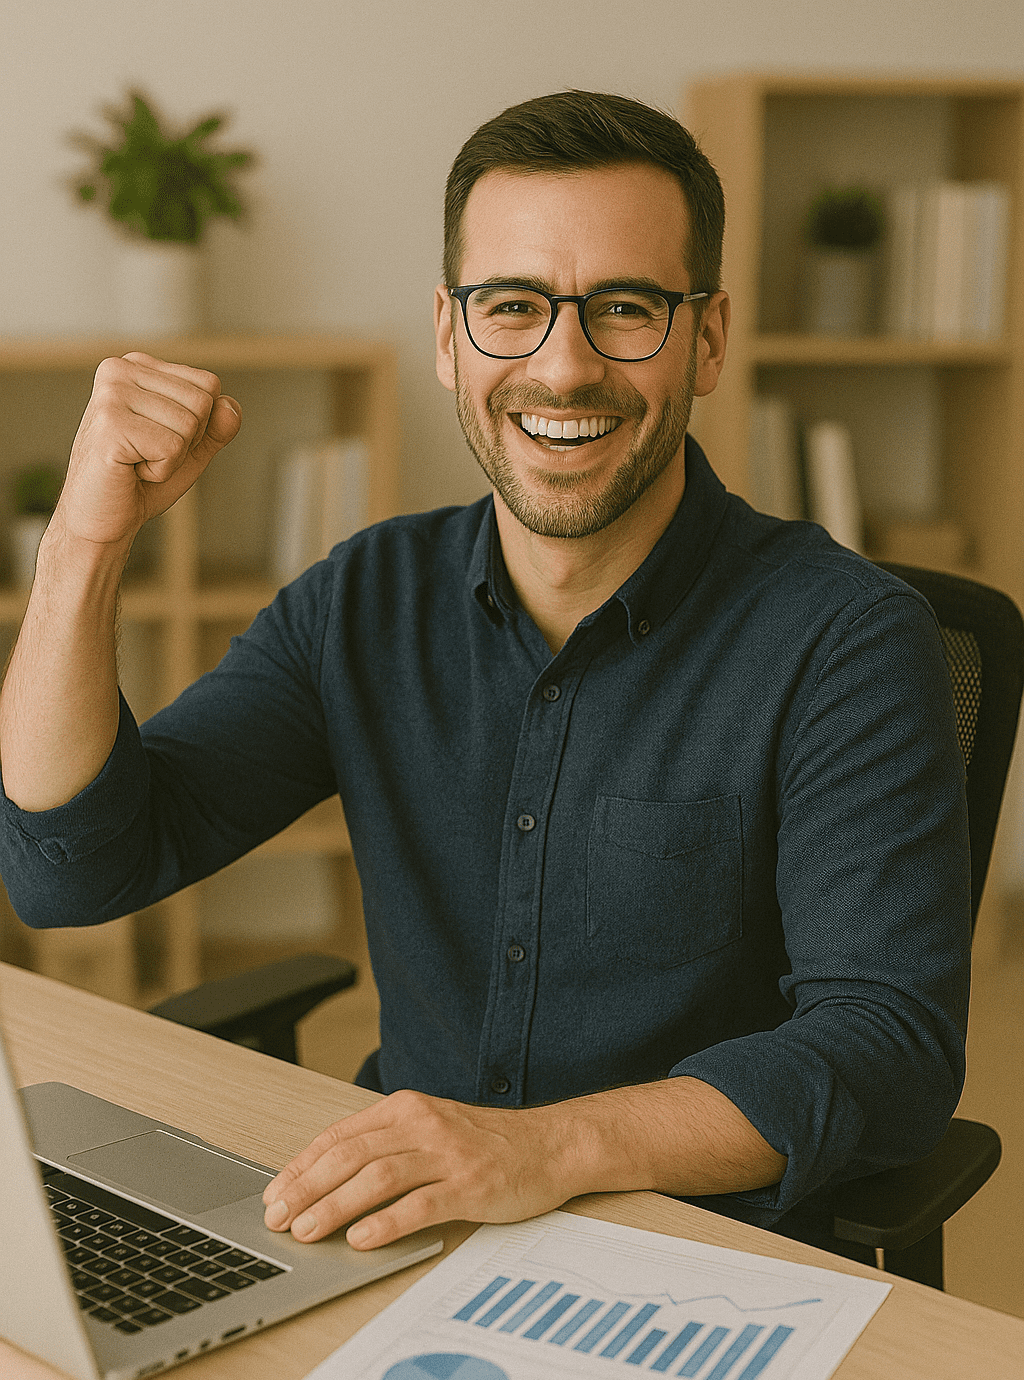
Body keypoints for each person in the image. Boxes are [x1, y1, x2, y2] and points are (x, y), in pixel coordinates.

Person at [0, 91, 969, 1258]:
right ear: (451, 337)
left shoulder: (846, 638)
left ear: (705, 339)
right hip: (405, 1228)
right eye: (513, 307)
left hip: (701, 1252)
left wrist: (540, 1149)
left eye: (625, 308)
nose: (563, 370)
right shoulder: (364, 599)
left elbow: (887, 1047)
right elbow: (72, 870)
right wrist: (82, 547)